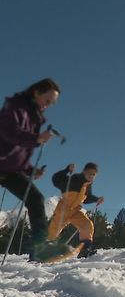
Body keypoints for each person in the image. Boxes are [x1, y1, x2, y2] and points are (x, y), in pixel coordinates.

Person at [0, 78, 71, 261]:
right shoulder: (16, 106)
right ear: (36, 93)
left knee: (36, 198)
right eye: (48, 100)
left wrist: (31, 170)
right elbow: (7, 132)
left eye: (52, 103)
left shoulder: (34, 118)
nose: (49, 105)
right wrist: (37, 138)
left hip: (10, 171)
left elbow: (19, 153)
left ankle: (40, 249)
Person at [49, 162, 104, 258]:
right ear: (84, 172)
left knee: (87, 224)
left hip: (75, 210)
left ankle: (85, 249)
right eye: (90, 173)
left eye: (94, 174)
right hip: (63, 209)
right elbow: (56, 179)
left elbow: (86, 198)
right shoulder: (73, 179)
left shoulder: (87, 185)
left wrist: (96, 199)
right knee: (53, 230)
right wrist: (67, 170)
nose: (91, 176)